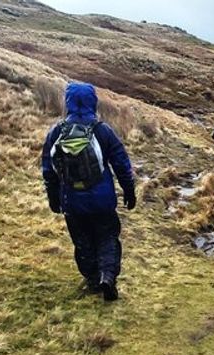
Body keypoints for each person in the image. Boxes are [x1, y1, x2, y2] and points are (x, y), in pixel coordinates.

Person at [41, 82, 136, 301]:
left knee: (82, 241)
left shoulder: (57, 131)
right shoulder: (103, 131)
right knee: (107, 237)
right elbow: (121, 163)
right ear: (93, 102)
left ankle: (93, 279)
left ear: (69, 102)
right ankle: (107, 276)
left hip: (72, 201)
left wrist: (53, 198)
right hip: (102, 200)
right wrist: (129, 190)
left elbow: (48, 169)